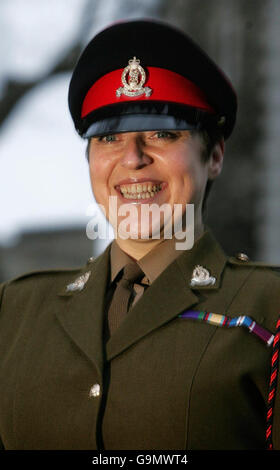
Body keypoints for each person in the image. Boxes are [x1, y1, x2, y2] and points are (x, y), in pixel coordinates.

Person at [0, 18, 280, 451]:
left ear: (215, 156)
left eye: (162, 133)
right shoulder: (15, 313)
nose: (132, 158)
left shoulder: (269, 306)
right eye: (110, 137)